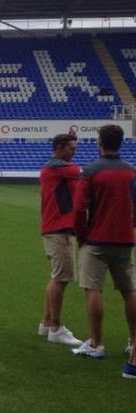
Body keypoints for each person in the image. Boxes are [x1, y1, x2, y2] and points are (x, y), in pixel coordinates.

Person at [68, 125, 136, 375]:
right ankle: (133, 342)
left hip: (96, 239)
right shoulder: (131, 171)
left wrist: (82, 235)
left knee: (93, 289)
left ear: (100, 142)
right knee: (129, 291)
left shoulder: (91, 171)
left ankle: (96, 343)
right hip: (125, 239)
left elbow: (78, 209)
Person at [38, 133, 83, 346]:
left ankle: (47, 323)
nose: (74, 152)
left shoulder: (55, 167)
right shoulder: (60, 168)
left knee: (57, 276)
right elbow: (87, 174)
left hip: (54, 227)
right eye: (71, 149)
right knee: (61, 278)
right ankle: (55, 327)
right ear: (59, 148)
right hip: (59, 228)